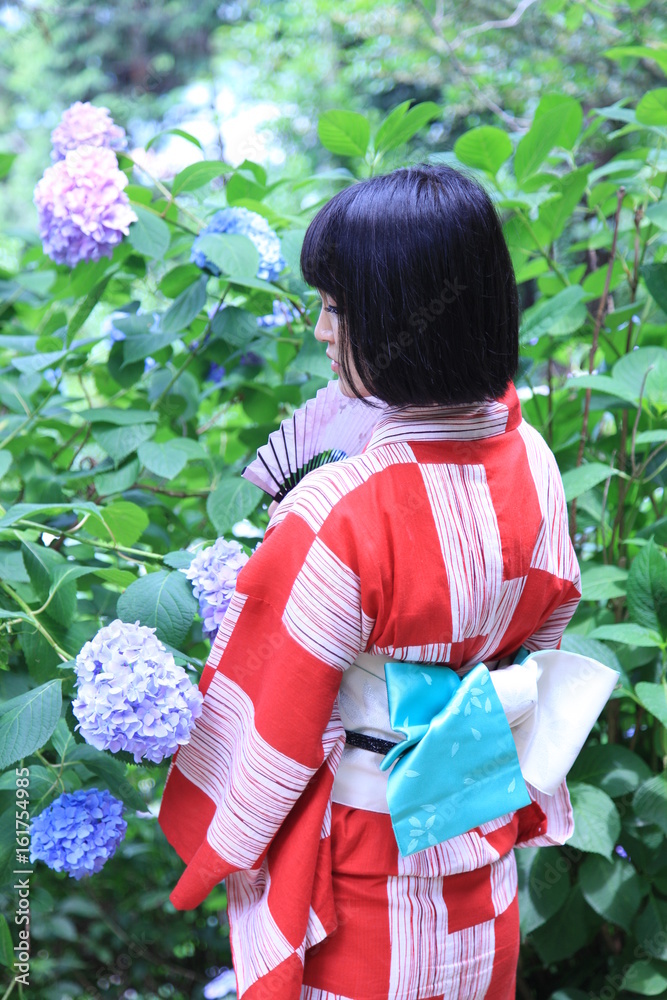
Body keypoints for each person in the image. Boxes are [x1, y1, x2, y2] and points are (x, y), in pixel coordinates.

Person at [158, 164, 582, 1000]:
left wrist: (212, 839)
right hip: (479, 839)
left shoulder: (339, 508)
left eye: (336, 307)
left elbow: (274, 723)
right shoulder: (532, 460)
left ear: (398, 320)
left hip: (363, 870)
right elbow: (542, 640)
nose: (321, 331)